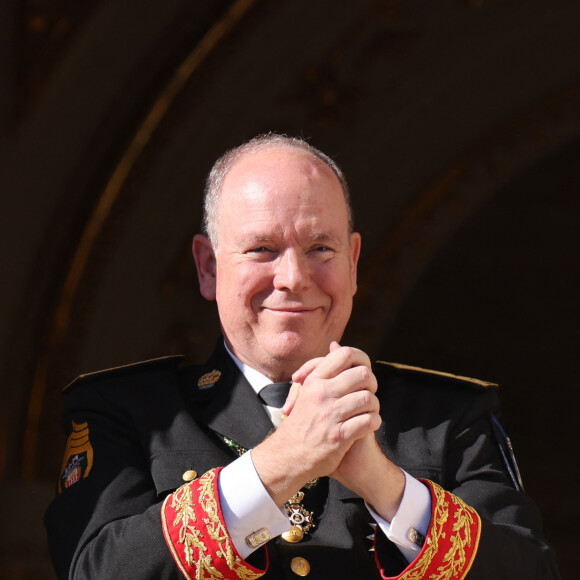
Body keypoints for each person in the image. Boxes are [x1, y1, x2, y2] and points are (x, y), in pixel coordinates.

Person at [45, 134, 560, 579]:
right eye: (262, 249)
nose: (293, 277)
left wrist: (388, 488)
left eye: (320, 248)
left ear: (353, 263)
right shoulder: (129, 411)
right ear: (207, 268)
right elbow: (95, 571)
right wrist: (282, 462)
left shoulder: (447, 418)